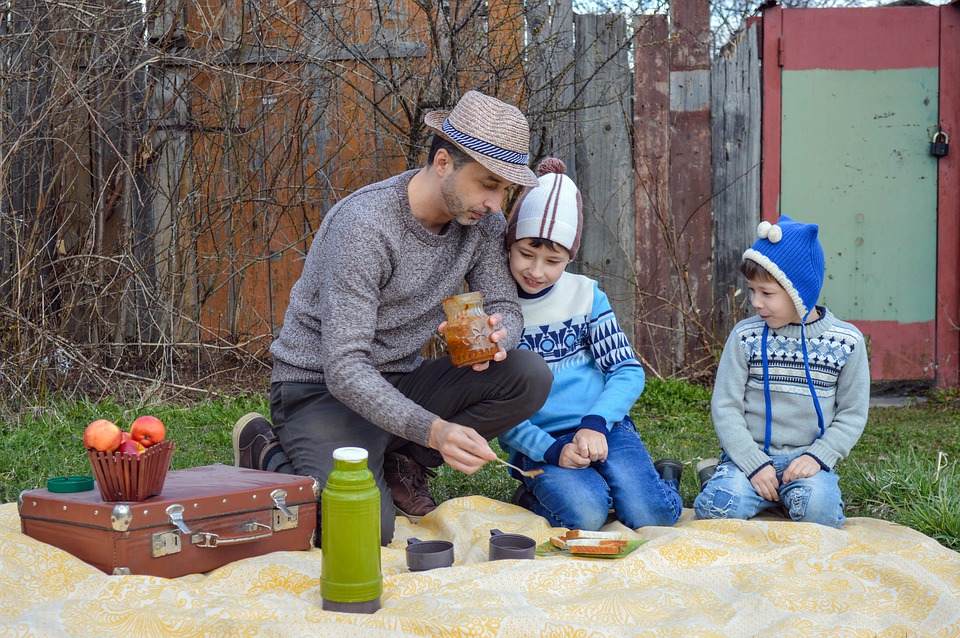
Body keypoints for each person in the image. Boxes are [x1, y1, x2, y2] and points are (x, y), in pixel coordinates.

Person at [231, 90, 553, 545]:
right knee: (363, 532)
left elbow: (505, 306)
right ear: (444, 162)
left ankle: (404, 460)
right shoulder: (365, 227)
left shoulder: (481, 223)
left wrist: (501, 335)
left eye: (504, 189)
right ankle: (265, 449)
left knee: (527, 374)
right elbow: (345, 369)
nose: (497, 204)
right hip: (320, 391)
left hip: (402, 379)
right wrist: (435, 430)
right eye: (488, 184)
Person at [497, 158, 684, 532]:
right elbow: (497, 406)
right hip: (543, 441)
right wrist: (551, 451)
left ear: (570, 256)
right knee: (585, 515)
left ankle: (663, 479)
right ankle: (537, 491)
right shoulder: (496, 307)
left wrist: (597, 423)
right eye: (526, 254)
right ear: (510, 243)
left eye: (553, 260)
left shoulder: (585, 295)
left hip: (602, 429)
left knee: (652, 517)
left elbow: (626, 370)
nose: (536, 271)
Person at [693, 215, 870, 528]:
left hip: (807, 462)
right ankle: (720, 478)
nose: (756, 303)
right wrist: (750, 462)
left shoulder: (847, 342)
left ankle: (793, 495)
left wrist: (819, 456)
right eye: (752, 291)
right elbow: (726, 406)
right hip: (749, 459)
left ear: (800, 291)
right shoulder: (745, 336)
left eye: (767, 293)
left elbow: (852, 414)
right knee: (717, 510)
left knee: (820, 515)